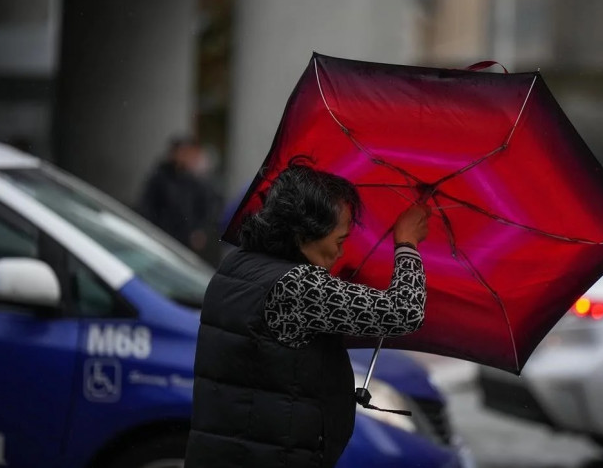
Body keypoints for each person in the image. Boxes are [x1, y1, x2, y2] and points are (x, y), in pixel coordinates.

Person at [184, 159, 431, 468]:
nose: (341, 252)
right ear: (303, 236)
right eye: (339, 240)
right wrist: (406, 241)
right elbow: (404, 311)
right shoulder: (298, 286)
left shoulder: (236, 266)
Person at [138, 136, 218, 253]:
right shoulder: (159, 178)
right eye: (183, 153)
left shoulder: (193, 181)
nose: (186, 157)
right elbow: (147, 206)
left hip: (185, 243)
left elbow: (206, 209)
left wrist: (200, 231)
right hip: (162, 238)